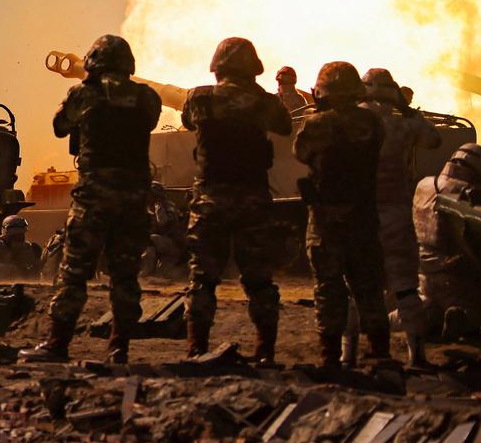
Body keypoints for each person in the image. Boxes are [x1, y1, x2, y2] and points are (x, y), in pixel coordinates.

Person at [23, 36, 162, 364]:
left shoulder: (84, 94)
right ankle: (119, 348)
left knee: (73, 273)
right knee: (125, 275)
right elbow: (150, 122)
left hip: (93, 197)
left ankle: (57, 344)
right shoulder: (147, 98)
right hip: (133, 198)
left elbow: (60, 126)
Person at [179, 37, 293, 365]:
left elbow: (188, 121)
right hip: (253, 198)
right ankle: (265, 351)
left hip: (210, 197)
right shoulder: (265, 103)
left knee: (202, 277)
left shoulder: (200, 98)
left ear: (218, 67)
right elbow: (284, 127)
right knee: (259, 279)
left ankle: (196, 348)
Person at [293, 62, 389, 368]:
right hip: (363, 215)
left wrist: (316, 111)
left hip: (325, 220)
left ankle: (330, 355)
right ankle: (379, 351)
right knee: (369, 286)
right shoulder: (372, 122)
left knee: (328, 289)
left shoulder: (317, 124)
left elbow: (301, 153)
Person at [363, 67, 443, 366]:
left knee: (357, 284)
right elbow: (433, 140)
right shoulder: (404, 124)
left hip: (362, 211)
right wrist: (410, 113)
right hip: (396, 210)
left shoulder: (355, 117)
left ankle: (344, 357)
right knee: (406, 286)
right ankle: (416, 355)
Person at [415, 143, 481, 341]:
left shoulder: (424, 184)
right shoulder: (469, 194)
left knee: (420, 311)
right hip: (455, 276)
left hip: (423, 273)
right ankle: (462, 317)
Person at [0, 213, 42, 279]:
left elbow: (35, 268)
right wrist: (16, 269)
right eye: (16, 235)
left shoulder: (27, 247)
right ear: (7, 234)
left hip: (23, 285)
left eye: (21, 234)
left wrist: (36, 264)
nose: (19, 238)